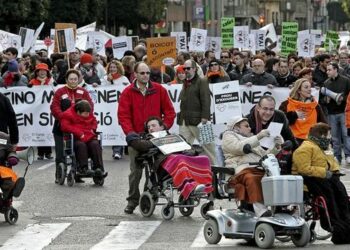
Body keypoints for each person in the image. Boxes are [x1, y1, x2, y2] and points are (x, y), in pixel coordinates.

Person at [118, 62, 176, 214]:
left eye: (148, 73)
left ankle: (149, 195)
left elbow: (170, 113)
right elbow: (123, 116)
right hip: (137, 137)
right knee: (135, 171)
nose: (145, 76)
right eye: (142, 73)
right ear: (135, 75)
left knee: (158, 167)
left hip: (157, 137)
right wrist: (130, 134)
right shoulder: (127, 92)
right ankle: (132, 200)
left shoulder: (159, 90)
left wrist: (163, 128)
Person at [126, 116, 212, 200]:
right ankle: (190, 187)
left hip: (181, 157)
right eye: (148, 127)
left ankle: (207, 186)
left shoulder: (175, 136)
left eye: (153, 125)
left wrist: (191, 152)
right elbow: (140, 145)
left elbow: (190, 148)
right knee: (179, 158)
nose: (151, 128)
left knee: (204, 158)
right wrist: (131, 136)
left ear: (162, 126)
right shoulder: (149, 139)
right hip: (165, 163)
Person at [292, 123, 350, 244]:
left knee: (341, 193)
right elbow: (303, 169)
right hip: (309, 179)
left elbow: (333, 164)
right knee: (328, 194)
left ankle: (345, 223)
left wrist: (335, 172)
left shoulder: (324, 148)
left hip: (324, 178)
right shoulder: (305, 148)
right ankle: (336, 226)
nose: (330, 137)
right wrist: (324, 172)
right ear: (322, 135)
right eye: (329, 135)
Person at [222, 116, 282, 217]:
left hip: (259, 168)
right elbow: (239, 148)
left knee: (275, 178)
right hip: (240, 170)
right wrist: (258, 137)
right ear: (236, 127)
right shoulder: (228, 135)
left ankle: (279, 208)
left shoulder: (250, 139)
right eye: (246, 126)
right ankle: (261, 211)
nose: (250, 128)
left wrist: (276, 147)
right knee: (252, 178)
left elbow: (264, 155)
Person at [50, 69, 93, 184]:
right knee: (61, 153)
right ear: (66, 80)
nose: (73, 81)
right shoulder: (60, 92)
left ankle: (78, 173)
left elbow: (90, 107)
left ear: (78, 79)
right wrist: (63, 117)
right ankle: (59, 174)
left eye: (75, 79)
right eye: (71, 79)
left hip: (79, 127)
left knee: (79, 149)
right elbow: (54, 107)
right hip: (61, 127)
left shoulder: (83, 92)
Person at [177, 59, 217, 165]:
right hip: (185, 120)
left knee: (209, 147)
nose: (186, 70)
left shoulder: (202, 81)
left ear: (194, 69)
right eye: (184, 68)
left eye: (188, 68)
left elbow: (206, 100)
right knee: (182, 148)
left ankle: (217, 171)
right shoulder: (185, 82)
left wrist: (205, 117)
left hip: (200, 120)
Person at [60, 100, 104, 176]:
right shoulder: (67, 115)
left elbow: (94, 121)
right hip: (75, 138)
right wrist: (79, 133)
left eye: (88, 113)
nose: (87, 115)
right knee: (81, 145)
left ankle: (98, 168)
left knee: (95, 144)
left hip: (88, 137)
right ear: (78, 112)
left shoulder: (88, 113)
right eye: (85, 113)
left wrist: (93, 129)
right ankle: (83, 168)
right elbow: (65, 126)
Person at [279, 78, 327, 145]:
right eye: (306, 87)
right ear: (299, 90)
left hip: (312, 141)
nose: (309, 89)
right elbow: (280, 121)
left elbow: (323, 124)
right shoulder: (286, 104)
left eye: (310, 87)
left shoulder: (315, 106)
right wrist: (294, 115)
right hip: (293, 140)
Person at [322, 62, 350, 164]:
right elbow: (323, 100)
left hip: (343, 112)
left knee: (346, 134)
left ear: (335, 70)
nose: (327, 72)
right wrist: (326, 100)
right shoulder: (326, 83)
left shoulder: (346, 81)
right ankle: (337, 156)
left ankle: (348, 155)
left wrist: (342, 99)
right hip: (331, 112)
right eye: (327, 70)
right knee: (334, 137)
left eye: (329, 70)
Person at [102, 60, 130, 159]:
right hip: (109, 108)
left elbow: (128, 90)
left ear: (118, 68)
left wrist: (113, 82)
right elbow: (102, 91)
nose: (112, 69)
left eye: (114, 67)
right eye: (111, 67)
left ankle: (123, 149)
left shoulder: (124, 79)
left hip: (122, 107)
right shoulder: (105, 79)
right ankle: (116, 151)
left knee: (121, 128)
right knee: (113, 127)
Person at [0, 92, 18, 165]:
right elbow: (12, 122)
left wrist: (13, 141)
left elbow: (12, 121)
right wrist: (14, 142)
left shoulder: (4, 99)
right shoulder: (4, 99)